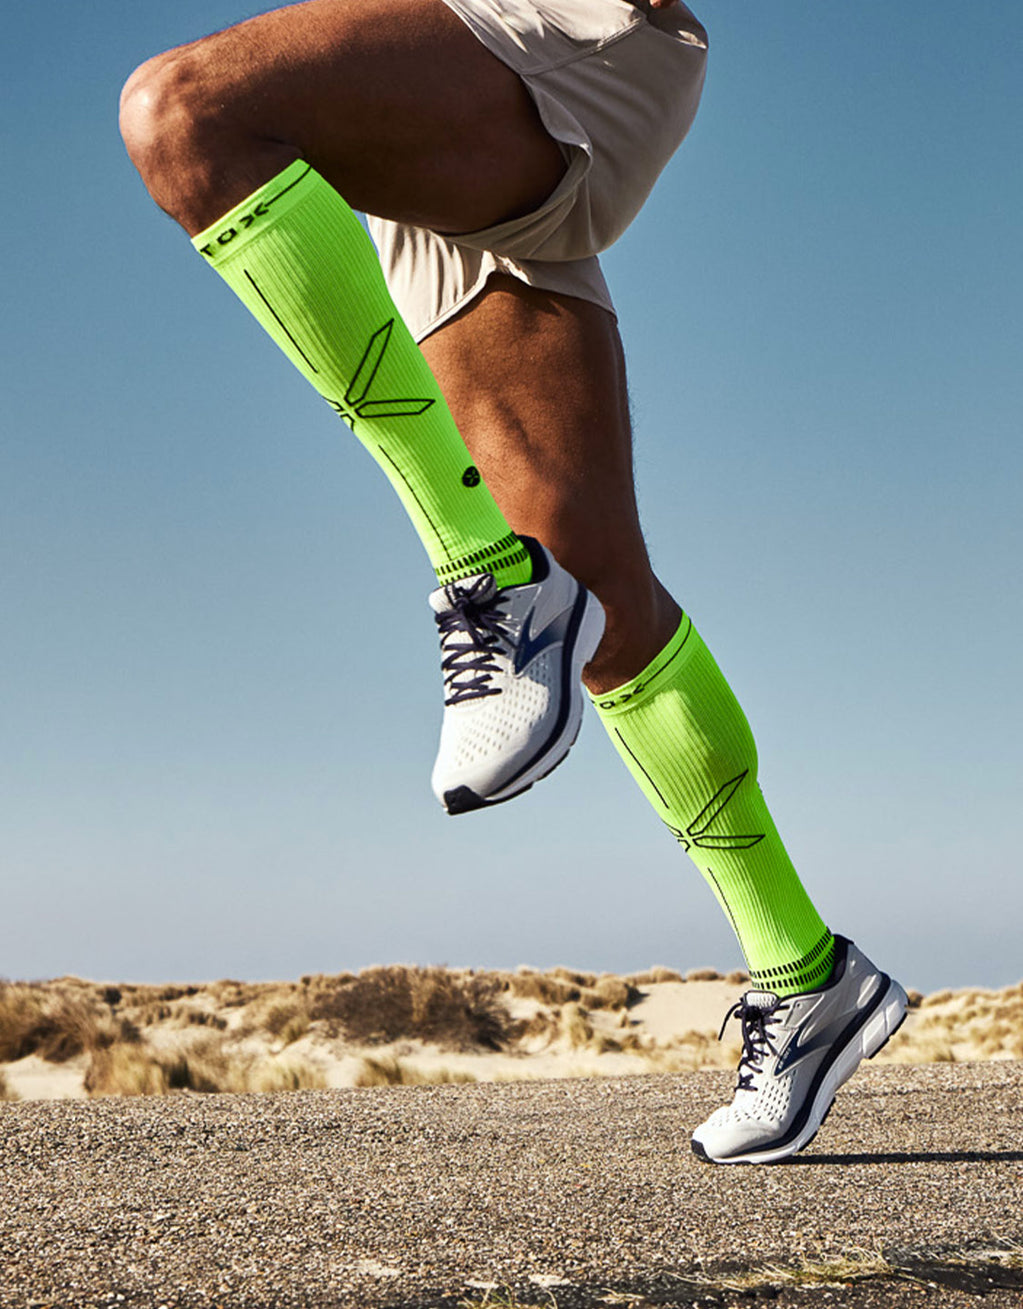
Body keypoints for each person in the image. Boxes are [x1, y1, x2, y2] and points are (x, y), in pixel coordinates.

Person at [119, 0, 907, 1162]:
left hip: (545, 28)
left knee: (187, 112)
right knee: (604, 605)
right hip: (430, 124)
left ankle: (487, 574)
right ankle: (805, 971)